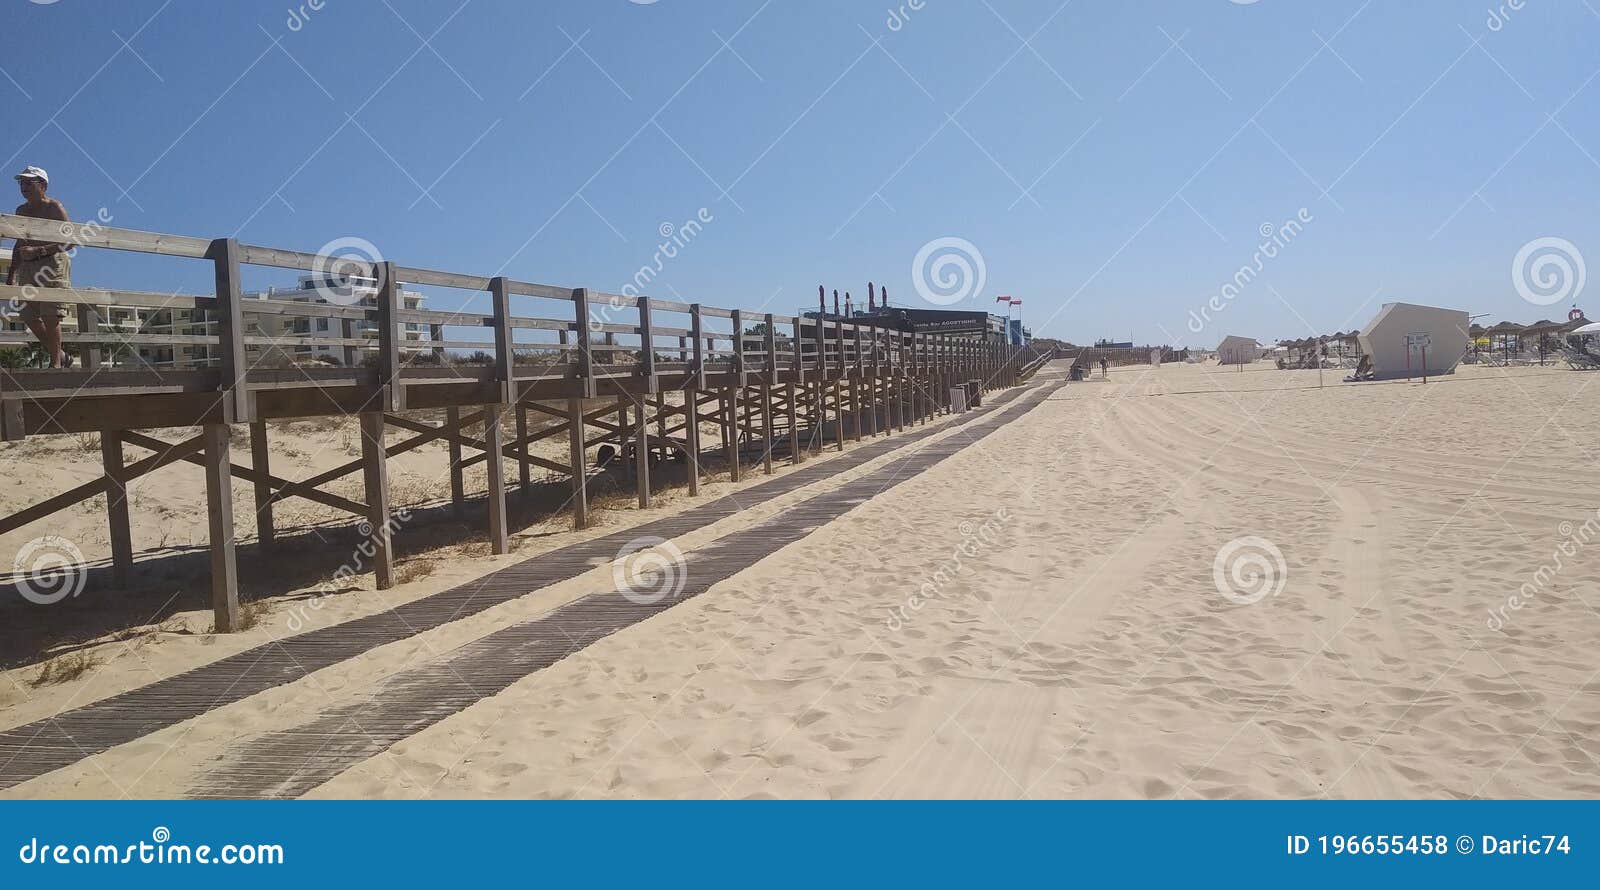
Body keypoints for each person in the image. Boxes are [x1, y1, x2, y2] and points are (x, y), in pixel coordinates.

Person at [6, 166, 73, 368]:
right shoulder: (21, 211)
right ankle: (60, 355)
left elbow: (70, 241)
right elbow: (19, 243)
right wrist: (12, 273)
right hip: (28, 266)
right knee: (27, 314)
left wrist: (39, 251)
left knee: (50, 314)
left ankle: (56, 364)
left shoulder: (54, 207)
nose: (23, 187)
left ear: (42, 185)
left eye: (29, 183)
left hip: (51, 263)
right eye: (21, 183)